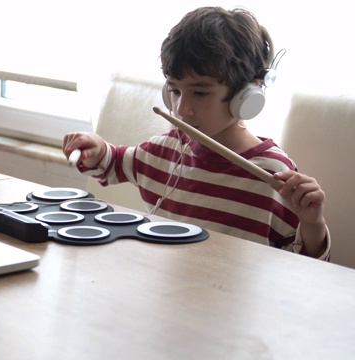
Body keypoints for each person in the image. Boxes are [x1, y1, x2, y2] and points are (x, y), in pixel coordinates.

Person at [63, 6, 330, 260]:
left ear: (246, 95)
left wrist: (313, 224)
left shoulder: (274, 175)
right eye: (175, 90)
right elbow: (114, 163)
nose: (182, 109)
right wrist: (96, 150)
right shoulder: (166, 151)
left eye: (200, 93)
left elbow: (306, 271)